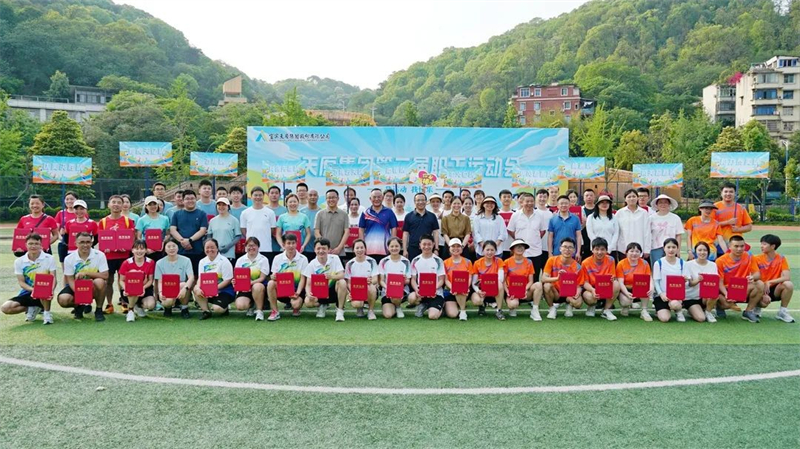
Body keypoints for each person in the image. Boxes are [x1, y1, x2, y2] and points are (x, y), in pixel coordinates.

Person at [2, 233, 58, 324]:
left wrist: (51, 290)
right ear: (26, 245)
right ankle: (31, 308)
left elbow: (53, 277)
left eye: (36, 244)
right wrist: (34, 290)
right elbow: (21, 282)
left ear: (41, 245)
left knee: (43, 290)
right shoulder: (19, 261)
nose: (33, 246)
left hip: (45, 290)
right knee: (6, 308)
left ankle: (47, 314)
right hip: (29, 291)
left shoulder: (49, 258)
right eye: (30, 244)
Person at [57, 232, 109, 321]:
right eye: (82, 242)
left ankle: (99, 309)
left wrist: (86, 273)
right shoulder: (69, 258)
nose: (85, 245)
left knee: (100, 282)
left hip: (93, 286)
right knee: (63, 300)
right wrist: (81, 293)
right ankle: (79, 306)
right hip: (77, 286)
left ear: (92, 243)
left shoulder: (100, 255)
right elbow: (70, 279)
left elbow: (105, 275)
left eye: (88, 242)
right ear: (76, 243)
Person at [98, 195, 136, 314]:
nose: (116, 204)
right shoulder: (103, 221)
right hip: (108, 257)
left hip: (124, 256)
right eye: (113, 202)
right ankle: (109, 304)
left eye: (119, 202)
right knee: (108, 281)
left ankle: (124, 302)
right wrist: (105, 248)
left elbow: (132, 238)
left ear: (122, 205)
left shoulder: (128, 221)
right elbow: (101, 239)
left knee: (123, 280)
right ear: (109, 205)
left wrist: (127, 246)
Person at [715, 235, 764, 322]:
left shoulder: (749, 256)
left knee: (760, 284)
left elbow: (757, 274)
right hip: (726, 289)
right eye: (736, 246)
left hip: (741, 288)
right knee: (726, 304)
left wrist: (752, 277)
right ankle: (719, 306)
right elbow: (720, 282)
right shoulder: (720, 261)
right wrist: (726, 294)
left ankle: (748, 312)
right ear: (730, 247)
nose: (739, 249)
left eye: (742, 246)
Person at [652, 238, 699, 322]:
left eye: (674, 247)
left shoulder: (682, 263)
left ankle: (678, 311)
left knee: (675, 304)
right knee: (665, 318)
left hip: (676, 296)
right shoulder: (658, 263)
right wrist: (661, 294)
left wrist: (685, 280)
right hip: (662, 296)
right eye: (668, 247)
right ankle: (661, 310)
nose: (671, 250)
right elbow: (656, 281)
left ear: (677, 249)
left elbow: (687, 282)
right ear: (664, 248)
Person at [506, 192, 548, 280]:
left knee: (535, 277)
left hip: (535, 251)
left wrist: (536, 238)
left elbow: (543, 230)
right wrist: (518, 241)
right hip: (521, 252)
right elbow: (510, 230)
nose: (529, 203)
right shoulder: (516, 215)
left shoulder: (539, 215)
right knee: (520, 277)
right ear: (522, 202)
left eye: (532, 201)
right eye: (527, 201)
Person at [266, 233, 308, 320]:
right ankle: (275, 311)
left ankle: (296, 308)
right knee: (270, 283)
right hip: (283, 289)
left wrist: (298, 292)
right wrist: (273, 277)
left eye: (293, 243)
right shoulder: (277, 258)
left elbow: (302, 278)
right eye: (288, 243)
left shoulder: (303, 259)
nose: (291, 246)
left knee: (296, 305)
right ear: (283, 245)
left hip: (296, 290)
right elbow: (274, 275)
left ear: (296, 244)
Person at [753, 234, 794, 323]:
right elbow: (754, 278)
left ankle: (782, 312)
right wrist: (763, 292)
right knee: (764, 303)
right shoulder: (756, 259)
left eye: (764, 244)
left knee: (788, 284)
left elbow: (787, 277)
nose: (761, 246)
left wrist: (769, 282)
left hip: (775, 289)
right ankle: (756, 308)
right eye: (761, 244)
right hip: (761, 288)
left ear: (773, 246)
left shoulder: (781, 258)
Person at [303, 239, 347, 321]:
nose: (321, 251)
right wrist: (309, 294)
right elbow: (308, 284)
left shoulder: (335, 258)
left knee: (342, 282)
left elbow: (342, 275)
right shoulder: (312, 264)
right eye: (318, 248)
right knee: (308, 302)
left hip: (333, 291)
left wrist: (332, 276)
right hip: (320, 293)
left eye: (324, 248)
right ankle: (322, 305)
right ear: (314, 250)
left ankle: (340, 310)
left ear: (329, 249)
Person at [169, 189, 208, 277]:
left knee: (196, 275)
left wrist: (189, 240)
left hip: (197, 250)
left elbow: (202, 230)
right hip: (181, 251)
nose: (190, 201)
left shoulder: (202, 214)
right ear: (183, 201)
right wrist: (182, 241)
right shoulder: (177, 214)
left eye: (192, 198)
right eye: (187, 199)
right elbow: (173, 230)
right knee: (181, 276)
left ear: (196, 199)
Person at [541, 237, 583, 319]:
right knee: (546, 286)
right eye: (565, 247)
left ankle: (569, 305)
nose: (567, 250)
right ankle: (552, 308)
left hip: (569, 294)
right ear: (560, 248)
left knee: (578, 303)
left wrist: (577, 293)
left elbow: (579, 285)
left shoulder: (578, 266)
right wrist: (557, 278)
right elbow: (543, 278)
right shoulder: (552, 260)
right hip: (555, 293)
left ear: (574, 250)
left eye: (570, 247)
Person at [194, 239, 235, 320]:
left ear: (217, 248)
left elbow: (227, 280)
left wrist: (213, 289)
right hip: (208, 289)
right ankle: (206, 311)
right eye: (207, 247)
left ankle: (224, 307)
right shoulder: (202, 261)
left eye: (212, 247)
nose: (210, 250)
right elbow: (200, 278)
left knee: (218, 309)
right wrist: (198, 287)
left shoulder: (224, 261)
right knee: (196, 289)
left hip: (224, 290)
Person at [408, 234, 447, 320]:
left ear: (433, 244)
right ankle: (423, 304)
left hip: (436, 293)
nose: (426, 247)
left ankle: (441, 306)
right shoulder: (415, 260)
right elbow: (413, 279)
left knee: (432, 316)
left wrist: (433, 289)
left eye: (429, 244)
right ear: (420, 245)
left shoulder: (438, 260)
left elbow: (441, 280)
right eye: (424, 244)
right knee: (411, 298)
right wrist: (416, 290)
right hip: (421, 292)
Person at [580, 237, 619, 321]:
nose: (599, 252)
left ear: (606, 250)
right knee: (589, 297)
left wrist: (612, 279)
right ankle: (592, 306)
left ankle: (606, 310)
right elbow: (585, 282)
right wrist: (592, 290)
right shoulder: (585, 263)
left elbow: (613, 277)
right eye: (597, 249)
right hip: (591, 288)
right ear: (592, 250)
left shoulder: (611, 260)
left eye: (602, 249)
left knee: (616, 284)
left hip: (605, 287)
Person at [154, 237, 194, 319]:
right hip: (167, 289)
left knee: (184, 284)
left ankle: (184, 308)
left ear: (178, 247)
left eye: (174, 246)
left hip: (181, 289)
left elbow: (191, 277)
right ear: (164, 249)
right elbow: (160, 281)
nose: (171, 248)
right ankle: (168, 308)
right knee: (167, 302)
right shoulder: (159, 263)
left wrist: (185, 288)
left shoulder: (186, 260)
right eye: (168, 246)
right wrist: (160, 293)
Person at [118, 240, 156, 322]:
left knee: (150, 305)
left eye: (142, 249)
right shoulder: (126, 263)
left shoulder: (150, 262)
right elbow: (121, 280)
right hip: (129, 289)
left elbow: (150, 280)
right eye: (137, 249)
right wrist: (126, 288)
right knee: (134, 290)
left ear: (146, 250)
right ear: (132, 250)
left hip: (145, 288)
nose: (139, 251)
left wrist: (142, 288)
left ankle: (138, 306)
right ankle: (130, 310)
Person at [503, 239, 542, 320]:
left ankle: (535, 310)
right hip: (512, 292)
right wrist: (508, 292)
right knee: (513, 304)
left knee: (538, 285)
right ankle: (512, 308)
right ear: (513, 249)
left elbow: (531, 281)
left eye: (522, 247)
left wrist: (524, 289)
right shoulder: (507, 262)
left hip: (525, 292)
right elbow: (503, 280)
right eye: (517, 247)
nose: (520, 248)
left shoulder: (529, 262)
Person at [234, 237, 270, 321]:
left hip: (259, 288)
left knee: (257, 286)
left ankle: (259, 311)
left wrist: (249, 283)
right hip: (244, 289)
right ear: (245, 247)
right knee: (240, 306)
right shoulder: (240, 260)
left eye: (254, 245)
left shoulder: (263, 259)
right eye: (249, 246)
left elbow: (262, 278)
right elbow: (237, 276)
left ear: (258, 247)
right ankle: (251, 306)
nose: (251, 248)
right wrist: (235, 281)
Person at [615, 242, 653, 321]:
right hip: (626, 288)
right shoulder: (621, 264)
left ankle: (644, 310)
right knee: (625, 302)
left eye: (637, 251)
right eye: (631, 251)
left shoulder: (645, 263)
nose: (634, 254)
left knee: (647, 287)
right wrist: (626, 293)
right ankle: (626, 306)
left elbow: (649, 278)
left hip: (639, 288)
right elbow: (620, 282)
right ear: (626, 252)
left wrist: (651, 288)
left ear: (640, 253)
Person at [685, 242, 721, 323]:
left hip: (705, 297)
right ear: (695, 251)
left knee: (714, 294)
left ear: (708, 252)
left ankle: (708, 312)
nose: (702, 252)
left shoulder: (713, 265)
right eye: (700, 250)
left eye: (705, 250)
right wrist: (698, 280)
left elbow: (714, 282)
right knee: (701, 318)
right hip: (691, 297)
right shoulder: (688, 264)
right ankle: (692, 311)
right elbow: (690, 284)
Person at [470, 240, 506, 320]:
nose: (490, 252)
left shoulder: (499, 261)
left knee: (500, 284)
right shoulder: (477, 263)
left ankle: (499, 310)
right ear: (483, 251)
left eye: (492, 250)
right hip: (482, 290)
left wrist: (489, 285)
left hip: (494, 288)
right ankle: (482, 305)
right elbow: (474, 282)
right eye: (487, 250)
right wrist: (478, 291)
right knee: (477, 301)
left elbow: (500, 278)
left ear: (496, 251)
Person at [239, 186, 277, 262]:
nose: (258, 197)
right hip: (250, 249)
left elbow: (272, 229)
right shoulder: (245, 213)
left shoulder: (270, 213)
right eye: (255, 195)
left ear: (263, 196)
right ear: (251, 197)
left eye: (260, 195)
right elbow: (243, 229)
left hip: (266, 248)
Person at [344, 239, 379, 320]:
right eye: (357, 248)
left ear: (365, 249)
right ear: (353, 250)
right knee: (357, 304)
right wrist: (352, 291)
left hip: (369, 289)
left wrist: (369, 281)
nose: (359, 250)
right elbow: (348, 282)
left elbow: (375, 279)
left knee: (372, 287)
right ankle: (360, 308)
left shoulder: (371, 261)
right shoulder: (349, 264)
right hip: (356, 290)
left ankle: (371, 311)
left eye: (362, 247)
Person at [359, 188, 397, 261]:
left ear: (382, 198)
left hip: (385, 248)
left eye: (379, 197)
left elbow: (393, 228)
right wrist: (362, 245)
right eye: (374, 197)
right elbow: (361, 229)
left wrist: (392, 244)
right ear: (370, 199)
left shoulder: (389, 212)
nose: (376, 199)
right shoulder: (365, 212)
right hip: (368, 249)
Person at [378, 237, 411, 319]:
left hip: (401, 291)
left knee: (396, 294)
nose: (394, 248)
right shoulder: (383, 261)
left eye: (396, 246)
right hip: (386, 291)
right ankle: (391, 306)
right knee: (388, 315)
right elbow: (381, 281)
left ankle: (398, 307)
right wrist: (388, 288)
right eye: (392, 246)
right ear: (388, 247)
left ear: (400, 247)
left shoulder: (406, 262)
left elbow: (408, 280)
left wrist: (403, 280)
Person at [614, 189, 650, 261]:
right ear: (625, 199)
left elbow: (647, 232)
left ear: (637, 198)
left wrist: (647, 249)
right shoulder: (620, 213)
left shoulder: (643, 213)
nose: (632, 198)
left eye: (634, 196)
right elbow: (616, 231)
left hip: (639, 248)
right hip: (623, 248)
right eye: (629, 197)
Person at [402, 192, 440, 261]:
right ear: (414, 202)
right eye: (418, 200)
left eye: (422, 200)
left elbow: (435, 233)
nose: (420, 202)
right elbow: (405, 234)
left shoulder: (432, 216)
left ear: (426, 201)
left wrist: (436, 249)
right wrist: (404, 250)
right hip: (413, 248)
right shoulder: (409, 216)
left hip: (428, 248)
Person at [442, 238, 473, 321]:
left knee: (460, 289)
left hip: (464, 291)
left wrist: (465, 287)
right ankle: (446, 306)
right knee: (453, 314)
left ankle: (463, 311)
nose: (456, 248)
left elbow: (470, 277)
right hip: (450, 290)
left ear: (462, 248)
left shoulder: (468, 262)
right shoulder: (445, 263)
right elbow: (446, 280)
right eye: (453, 246)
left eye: (458, 246)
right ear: (449, 248)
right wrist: (453, 287)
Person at [649, 194, 684, 265]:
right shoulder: (651, 218)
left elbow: (678, 235)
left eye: (665, 202)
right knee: (657, 267)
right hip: (655, 248)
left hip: (671, 248)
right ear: (657, 205)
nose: (663, 204)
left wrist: (678, 250)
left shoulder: (675, 218)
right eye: (660, 202)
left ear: (669, 204)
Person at [715, 182, 753, 247]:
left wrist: (738, 230)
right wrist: (727, 222)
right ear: (721, 193)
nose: (728, 194)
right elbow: (710, 225)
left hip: (736, 243)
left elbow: (749, 227)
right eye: (726, 191)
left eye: (731, 192)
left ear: (735, 193)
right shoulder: (715, 207)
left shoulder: (741, 208)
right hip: (719, 242)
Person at [314, 189, 348, 259]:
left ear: (338, 198)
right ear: (326, 199)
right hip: (323, 253)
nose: (331, 200)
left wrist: (339, 248)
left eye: (333, 197)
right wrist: (325, 247)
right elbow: (316, 232)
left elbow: (347, 232)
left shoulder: (344, 214)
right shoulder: (320, 214)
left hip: (339, 252)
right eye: (329, 198)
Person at [207, 197, 241, 265]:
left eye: (224, 205)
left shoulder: (234, 220)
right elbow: (209, 236)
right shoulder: (212, 221)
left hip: (229, 254)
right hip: (215, 254)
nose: (221, 207)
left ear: (228, 207)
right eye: (219, 205)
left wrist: (228, 247)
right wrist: (213, 247)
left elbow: (238, 236)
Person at [135, 196, 170, 261]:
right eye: (150, 205)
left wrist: (162, 242)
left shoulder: (165, 219)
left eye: (154, 204)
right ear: (146, 206)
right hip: (147, 251)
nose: (153, 206)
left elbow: (168, 234)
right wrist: (145, 248)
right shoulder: (141, 220)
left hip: (161, 250)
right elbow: (138, 237)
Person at [54, 191, 77, 267]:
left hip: (77, 244)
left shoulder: (81, 213)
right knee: (65, 267)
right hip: (64, 243)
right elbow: (56, 230)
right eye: (67, 199)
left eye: (72, 199)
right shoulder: (60, 213)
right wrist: (61, 238)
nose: (69, 201)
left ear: (76, 200)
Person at [300, 189, 321, 258]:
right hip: (303, 248)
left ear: (318, 197)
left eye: (315, 195)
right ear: (306, 197)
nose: (313, 197)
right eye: (310, 195)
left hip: (318, 248)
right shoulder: (301, 212)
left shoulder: (321, 212)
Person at [535, 189, 554, 262]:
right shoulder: (532, 211)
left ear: (548, 198)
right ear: (536, 197)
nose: (542, 199)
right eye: (540, 197)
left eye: (544, 197)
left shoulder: (551, 212)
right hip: (535, 246)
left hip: (547, 246)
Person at [579, 189, 597, 261]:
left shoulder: (598, 209)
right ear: (583, 198)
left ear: (594, 197)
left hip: (596, 237)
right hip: (584, 237)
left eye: (591, 195)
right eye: (587, 195)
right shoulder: (580, 210)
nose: (589, 197)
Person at [497, 189, 515, 259]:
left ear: (511, 199)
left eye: (508, 197)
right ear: (500, 199)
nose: (506, 199)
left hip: (512, 247)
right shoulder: (496, 214)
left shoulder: (515, 214)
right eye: (504, 197)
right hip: (499, 247)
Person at [345, 197, 362, 261]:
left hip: (358, 250)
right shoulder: (345, 218)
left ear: (359, 205)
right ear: (349, 206)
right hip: (347, 249)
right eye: (352, 205)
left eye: (356, 204)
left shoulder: (362, 218)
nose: (354, 207)